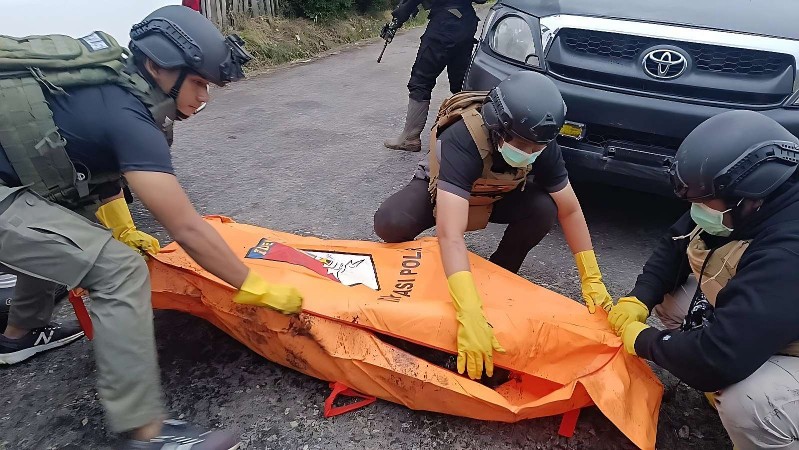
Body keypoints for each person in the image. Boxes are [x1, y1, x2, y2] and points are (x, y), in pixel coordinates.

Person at [0, 6, 303, 449]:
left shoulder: (112, 89)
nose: (204, 97)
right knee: (118, 271)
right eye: (198, 82)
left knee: (64, 227)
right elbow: (186, 227)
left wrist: (119, 223)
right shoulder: (128, 114)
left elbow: (90, 170)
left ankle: (19, 335)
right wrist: (254, 285)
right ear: (157, 66)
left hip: (17, 183)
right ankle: (147, 433)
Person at [374, 71, 614, 380]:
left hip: (497, 194)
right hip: (445, 193)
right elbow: (450, 232)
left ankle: (499, 275)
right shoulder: (463, 136)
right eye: (523, 146)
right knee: (390, 222)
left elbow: (569, 209)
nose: (529, 155)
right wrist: (468, 313)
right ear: (499, 129)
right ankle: (410, 281)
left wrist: (591, 277)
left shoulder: (540, 139)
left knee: (544, 208)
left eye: (536, 149)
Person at [608, 110, 799, 450]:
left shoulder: (788, 250)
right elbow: (679, 241)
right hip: (775, 316)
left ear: (751, 199)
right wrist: (641, 295)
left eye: (702, 203)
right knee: (675, 300)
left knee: (751, 402)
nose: (697, 211)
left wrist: (647, 341)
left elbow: (721, 356)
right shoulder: (751, 199)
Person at [382, 0, 482, 152]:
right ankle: (474, 134)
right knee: (460, 83)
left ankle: (410, 138)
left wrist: (398, 19)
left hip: (445, 24)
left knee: (421, 79)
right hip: (467, 21)